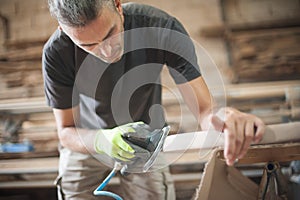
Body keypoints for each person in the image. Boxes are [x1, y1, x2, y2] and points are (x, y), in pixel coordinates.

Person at [42, 0, 265, 199]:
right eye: (88, 45)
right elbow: (66, 132)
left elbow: (206, 111)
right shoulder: (56, 53)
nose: (106, 50)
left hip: (147, 137)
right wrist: (102, 141)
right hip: (88, 139)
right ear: (64, 31)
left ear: (118, 5)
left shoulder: (159, 28)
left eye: (111, 33)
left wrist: (225, 118)